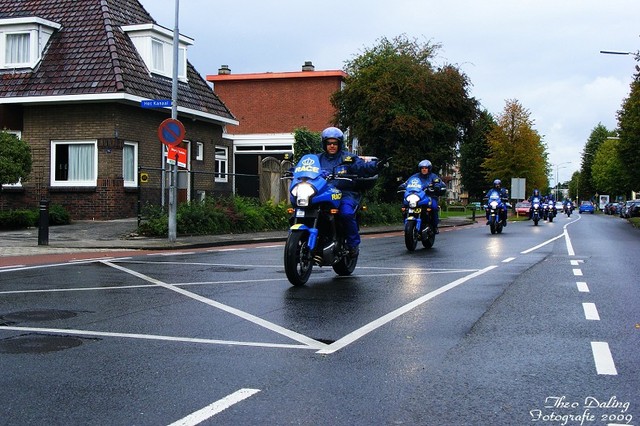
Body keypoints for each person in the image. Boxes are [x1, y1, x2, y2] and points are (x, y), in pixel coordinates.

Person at [317, 126, 383, 257]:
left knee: (346, 213)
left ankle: (353, 245)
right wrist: (293, 170)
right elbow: (304, 167)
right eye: (329, 143)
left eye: (335, 143)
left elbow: (362, 167)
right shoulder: (317, 159)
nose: (332, 146)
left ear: (339, 144)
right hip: (322, 193)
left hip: (344, 193)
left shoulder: (348, 158)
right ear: (324, 144)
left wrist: (376, 165)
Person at [398, 159, 447, 233]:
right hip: (417, 196)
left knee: (433, 207)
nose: (424, 169)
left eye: (426, 168)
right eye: (422, 168)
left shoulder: (433, 176)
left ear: (429, 169)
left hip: (429, 196)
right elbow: (407, 182)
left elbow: (438, 182)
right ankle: (407, 223)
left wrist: (437, 187)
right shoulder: (415, 176)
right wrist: (402, 186)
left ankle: (435, 226)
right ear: (420, 169)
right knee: (405, 205)